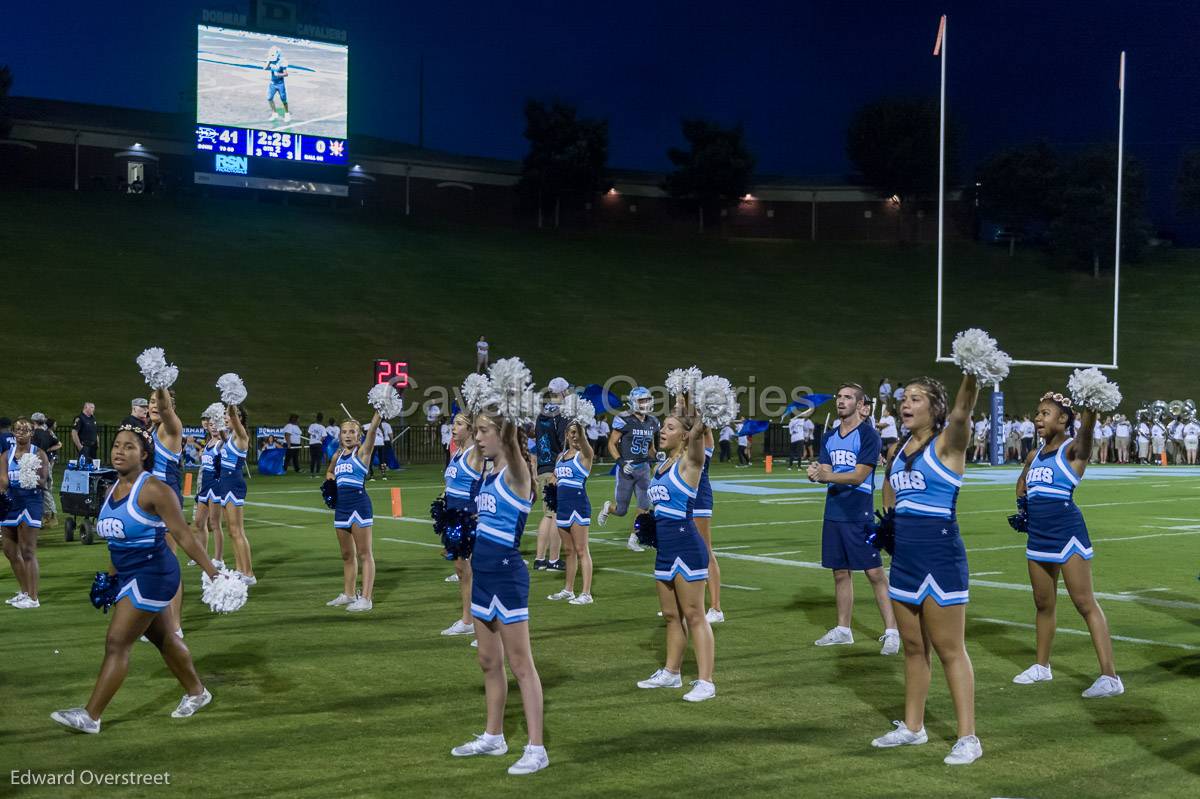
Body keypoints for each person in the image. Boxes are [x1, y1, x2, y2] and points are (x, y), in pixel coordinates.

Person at [50, 425, 225, 734]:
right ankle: (198, 692)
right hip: (128, 574)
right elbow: (117, 542)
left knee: (117, 642)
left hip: (154, 574)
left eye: (129, 447)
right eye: (116, 445)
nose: (119, 451)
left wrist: (212, 572)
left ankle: (91, 716)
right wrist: (111, 579)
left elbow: (183, 534)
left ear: (144, 455)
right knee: (164, 638)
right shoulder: (109, 489)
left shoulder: (155, 489)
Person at [871, 372, 984, 765]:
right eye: (905, 398)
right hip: (905, 559)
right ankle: (913, 727)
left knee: (951, 649)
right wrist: (887, 525)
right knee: (914, 648)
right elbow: (890, 493)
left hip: (940, 555)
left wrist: (973, 373)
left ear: (935, 408)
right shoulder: (898, 449)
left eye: (917, 399)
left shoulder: (949, 444)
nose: (906, 404)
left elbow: (964, 410)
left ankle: (968, 737)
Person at [450, 404, 548, 776]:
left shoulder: (518, 474)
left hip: (507, 576)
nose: (477, 437)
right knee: (488, 662)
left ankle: (536, 748)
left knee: (522, 666)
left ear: (503, 434)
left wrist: (510, 401)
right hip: (483, 577)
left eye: (483, 431)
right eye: (475, 430)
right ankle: (494, 736)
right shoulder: (488, 476)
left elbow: (510, 436)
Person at [1013, 391, 1122, 697]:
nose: (1038, 418)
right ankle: (1041, 667)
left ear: (1062, 420)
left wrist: (1091, 406)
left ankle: (1110, 677)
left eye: (1044, 414)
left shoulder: (1073, 451)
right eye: (1037, 413)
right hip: (1039, 535)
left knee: (1084, 602)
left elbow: (1086, 433)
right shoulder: (1034, 455)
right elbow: (1022, 483)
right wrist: (1024, 508)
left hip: (1067, 533)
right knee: (1043, 603)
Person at [634, 398, 716, 702]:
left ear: (684, 434)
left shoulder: (690, 461)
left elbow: (699, 431)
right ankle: (671, 673)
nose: (662, 432)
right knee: (671, 614)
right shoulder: (661, 465)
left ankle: (706, 681)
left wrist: (691, 400)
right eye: (662, 427)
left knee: (694, 614)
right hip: (665, 547)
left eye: (669, 428)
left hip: (686, 543)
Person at [809, 384, 898, 654]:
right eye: (839, 396)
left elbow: (859, 476)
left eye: (847, 397)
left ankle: (892, 631)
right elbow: (825, 468)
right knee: (839, 572)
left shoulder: (869, 435)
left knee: (874, 573)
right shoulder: (829, 437)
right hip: (834, 511)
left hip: (858, 512)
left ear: (860, 405)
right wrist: (815, 472)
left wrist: (826, 476)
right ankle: (843, 630)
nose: (841, 401)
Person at [324, 411, 382, 613]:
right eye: (344, 432)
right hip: (342, 508)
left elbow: (373, 429)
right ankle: (349, 594)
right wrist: (330, 485)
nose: (348, 435)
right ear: (340, 435)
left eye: (352, 432)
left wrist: (379, 410)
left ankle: (366, 598)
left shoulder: (363, 453)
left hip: (359, 506)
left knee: (364, 553)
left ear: (359, 436)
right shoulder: (337, 455)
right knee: (347, 554)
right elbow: (330, 472)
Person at [598, 387, 660, 553]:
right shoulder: (623, 419)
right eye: (641, 401)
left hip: (643, 469)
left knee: (644, 506)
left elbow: (651, 448)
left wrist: (657, 456)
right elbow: (611, 443)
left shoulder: (653, 421)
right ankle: (608, 507)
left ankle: (634, 539)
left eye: (647, 400)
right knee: (621, 510)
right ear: (633, 402)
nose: (645, 403)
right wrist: (620, 462)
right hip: (626, 470)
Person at [439, 411, 485, 637]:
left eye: (458, 424)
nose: (453, 428)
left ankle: (486, 627)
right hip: (454, 519)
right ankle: (468, 621)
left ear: (470, 428)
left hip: (471, 517)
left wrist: (476, 405)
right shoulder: (456, 454)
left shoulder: (474, 453)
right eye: (452, 424)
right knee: (461, 571)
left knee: (476, 571)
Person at [1, 418, 51, 609]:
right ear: (13, 432)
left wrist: (31, 477)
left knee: (27, 550)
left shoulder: (38, 453)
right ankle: (23, 592)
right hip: (10, 503)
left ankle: (33, 597)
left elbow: (43, 480)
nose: (21, 432)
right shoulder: (6, 455)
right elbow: (3, 481)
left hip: (30, 502)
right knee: (10, 550)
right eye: (18, 429)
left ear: (32, 433)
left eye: (26, 429)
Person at [547, 417, 595, 605]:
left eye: (578, 433)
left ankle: (586, 593)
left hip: (578, 505)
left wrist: (580, 428)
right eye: (571, 432)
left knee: (582, 549)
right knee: (568, 551)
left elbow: (583, 442)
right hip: (562, 506)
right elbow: (555, 478)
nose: (575, 436)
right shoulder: (561, 456)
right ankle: (568, 589)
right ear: (566, 435)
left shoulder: (585, 454)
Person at [215, 404, 255, 585]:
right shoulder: (229, 437)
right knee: (231, 530)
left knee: (237, 530)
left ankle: (249, 573)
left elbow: (234, 417)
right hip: (224, 483)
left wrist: (231, 402)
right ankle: (240, 569)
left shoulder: (241, 435)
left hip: (233, 483)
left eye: (228, 415)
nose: (226, 417)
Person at [533, 387, 568, 571]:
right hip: (555, 469)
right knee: (556, 515)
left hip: (542, 467)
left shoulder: (541, 414)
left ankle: (540, 559)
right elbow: (564, 445)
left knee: (547, 514)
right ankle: (554, 560)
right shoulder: (560, 415)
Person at [193, 414, 225, 568]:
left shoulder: (221, 443)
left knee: (214, 523)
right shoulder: (208, 443)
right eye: (211, 424)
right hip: (204, 486)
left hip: (216, 486)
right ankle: (202, 554)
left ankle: (218, 559)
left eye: (216, 424)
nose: (213, 426)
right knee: (198, 522)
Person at [31, 413, 61, 527]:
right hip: (47, 463)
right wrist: (47, 450)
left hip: (37, 464)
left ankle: (52, 516)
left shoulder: (34, 435)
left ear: (34, 422)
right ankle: (47, 516)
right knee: (46, 490)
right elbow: (58, 444)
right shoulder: (47, 434)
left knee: (42, 490)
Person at [265, 45, 291, 124]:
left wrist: (279, 74)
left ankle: (287, 114)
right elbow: (265, 68)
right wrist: (268, 63)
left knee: (283, 99)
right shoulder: (270, 60)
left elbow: (286, 74)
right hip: (272, 83)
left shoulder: (282, 62)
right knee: (269, 98)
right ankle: (274, 113)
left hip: (280, 84)